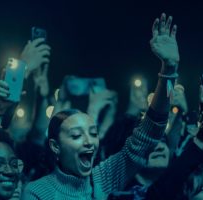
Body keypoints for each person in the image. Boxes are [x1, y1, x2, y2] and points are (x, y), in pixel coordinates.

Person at [22, 12, 179, 199]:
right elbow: (37, 134)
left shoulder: (103, 179)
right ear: (55, 146)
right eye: (77, 135)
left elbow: (153, 127)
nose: (89, 141)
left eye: (94, 134)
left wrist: (169, 71)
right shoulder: (36, 192)